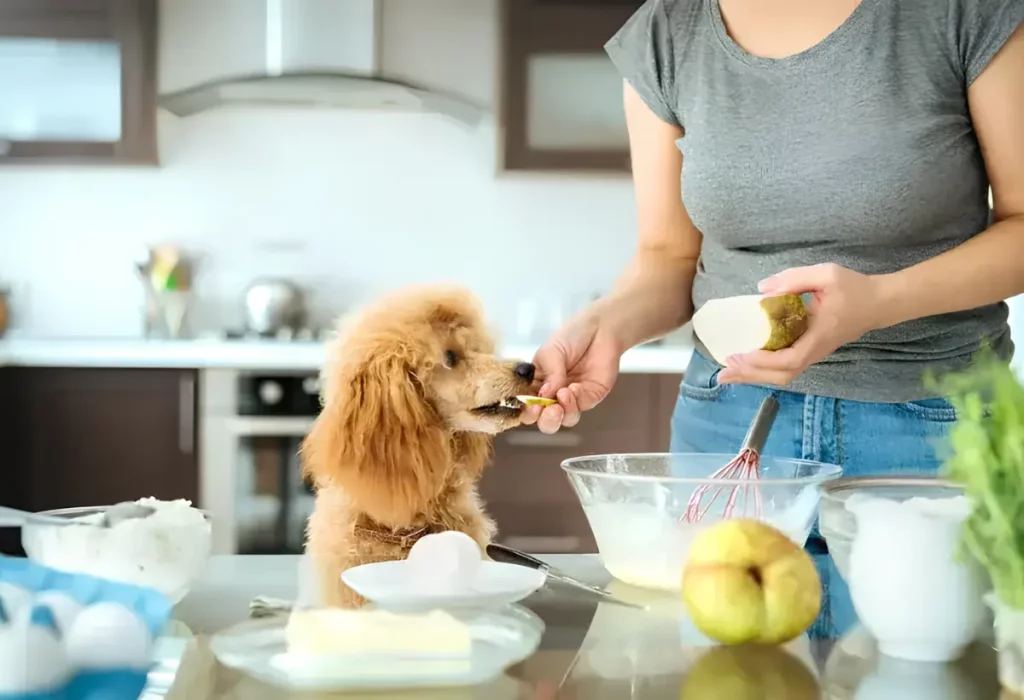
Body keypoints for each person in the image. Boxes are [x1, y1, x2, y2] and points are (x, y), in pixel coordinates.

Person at [521, 0, 1024, 638]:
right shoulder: (667, 32)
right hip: (728, 419)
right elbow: (666, 258)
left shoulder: (962, 13)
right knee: (723, 672)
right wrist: (606, 325)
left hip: (929, 422)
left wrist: (879, 303)